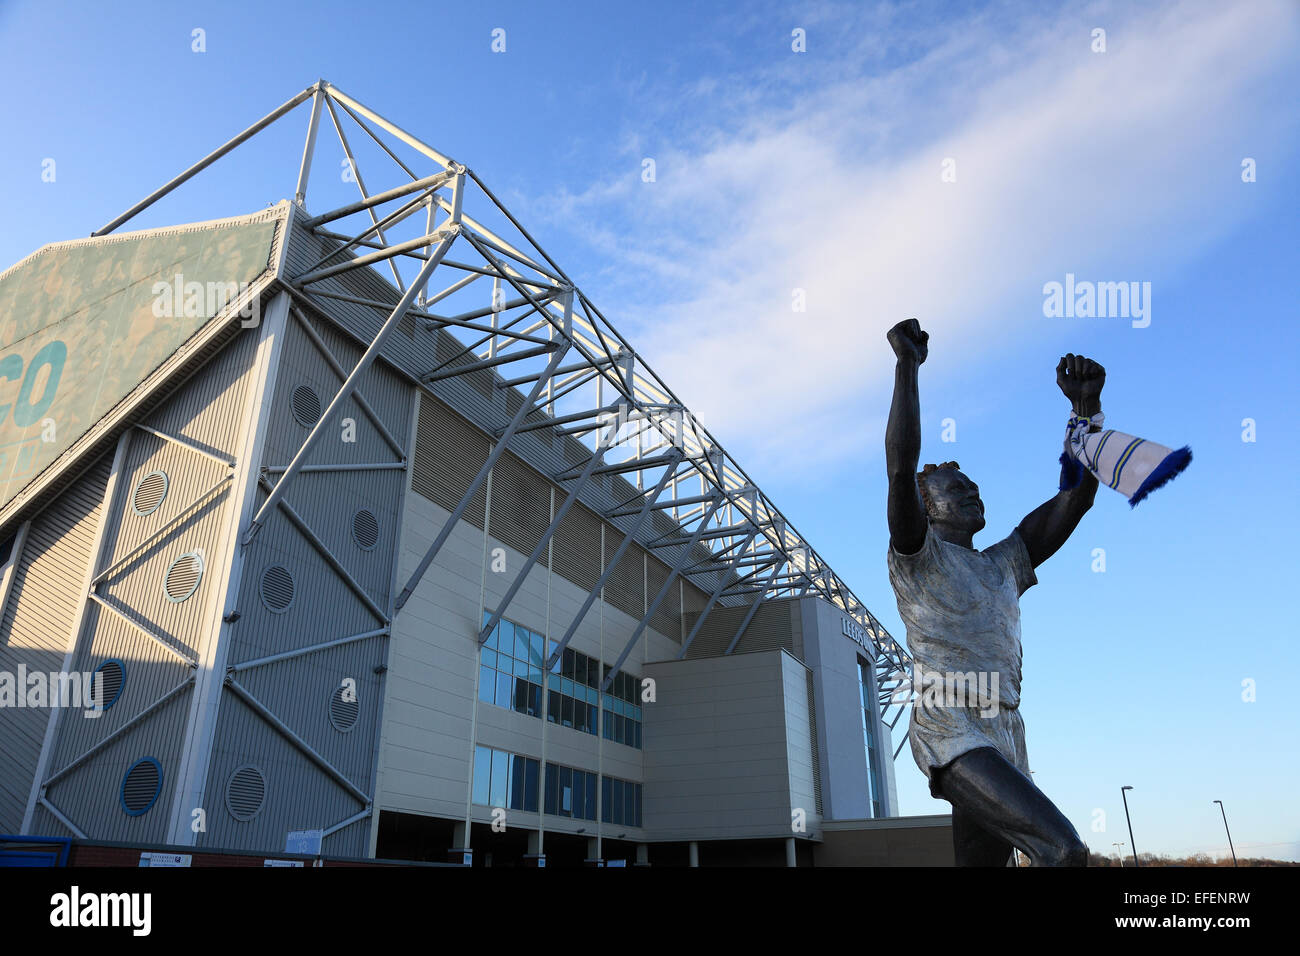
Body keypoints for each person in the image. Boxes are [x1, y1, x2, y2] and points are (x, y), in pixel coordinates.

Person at [884, 317, 1102, 867]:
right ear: (927, 507)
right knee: (1064, 850)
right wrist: (907, 366)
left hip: (1004, 726)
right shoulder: (918, 556)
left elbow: (1075, 498)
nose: (971, 493)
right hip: (951, 721)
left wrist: (1085, 411)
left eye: (974, 487)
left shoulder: (1005, 561)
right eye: (955, 488)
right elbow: (900, 466)